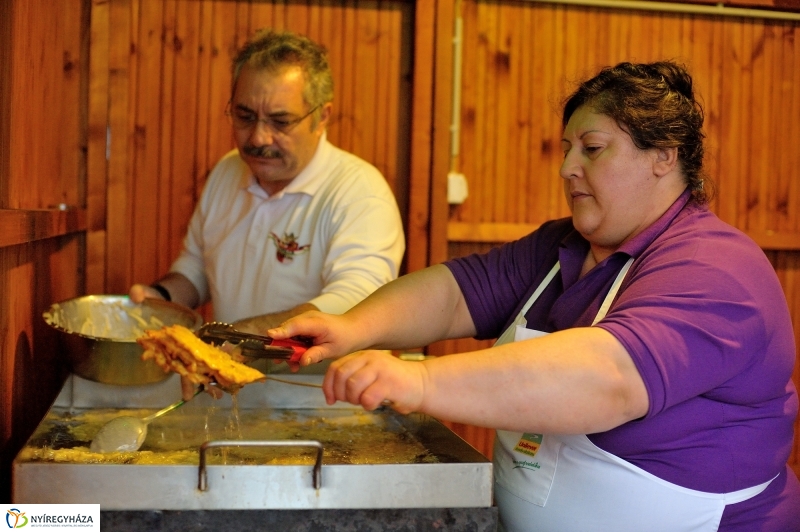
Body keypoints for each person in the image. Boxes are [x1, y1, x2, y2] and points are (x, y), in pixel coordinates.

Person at [269, 61, 800, 531]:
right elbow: (456, 292)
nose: (567, 168)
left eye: (592, 149)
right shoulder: (560, 246)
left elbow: (606, 378)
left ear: (663, 155)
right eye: (567, 150)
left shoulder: (716, 268)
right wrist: (353, 325)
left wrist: (420, 381)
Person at [129, 29, 405, 337]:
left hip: (317, 372)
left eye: (280, 122)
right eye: (245, 117)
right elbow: (197, 268)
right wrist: (161, 298)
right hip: (224, 367)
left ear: (322, 117)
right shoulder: (228, 171)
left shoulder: (359, 193)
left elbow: (355, 303)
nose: (259, 138)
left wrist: (245, 335)